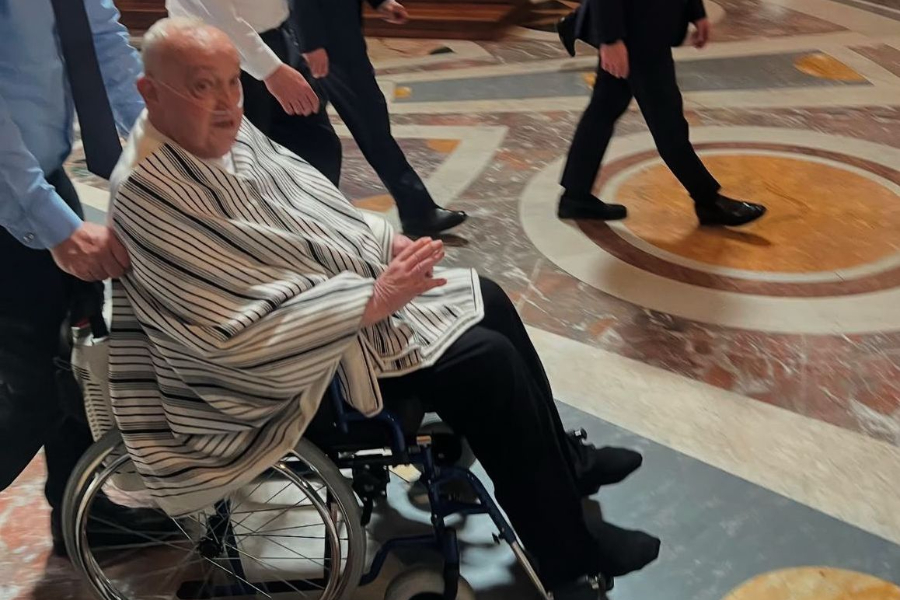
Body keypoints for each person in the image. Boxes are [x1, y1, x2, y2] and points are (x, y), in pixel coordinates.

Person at [109, 19, 658, 600]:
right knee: (486, 363)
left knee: (489, 296)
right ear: (150, 92)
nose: (227, 104)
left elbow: (309, 204)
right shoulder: (149, 191)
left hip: (338, 307)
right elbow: (223, 332)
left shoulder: (221, 133)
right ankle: (568, 557)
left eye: (233, 83)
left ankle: (565, 467)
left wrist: (381, 243)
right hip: (289, 370)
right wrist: (367, 301)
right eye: (203, 86)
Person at [0, 0, 169, 556]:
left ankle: (81, 514)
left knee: (77, 352)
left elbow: (100, 40)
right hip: (10, 191)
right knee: (34, 389)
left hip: (40, 171)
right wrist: (51, 224)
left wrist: (164, 144)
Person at [557, 0, 767, 226]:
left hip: (642, 26)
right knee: (667, 120)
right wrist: (610, 39)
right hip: (636, 31)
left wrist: (696, 11)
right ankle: (708, 201)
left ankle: (576, 195)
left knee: (604, 108)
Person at [290, 0, 468, 237]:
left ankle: (318, 216)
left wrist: (381, 2)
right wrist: (311, 42)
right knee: (367, 128)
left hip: (340, 37)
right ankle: (418, 212)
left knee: (324, 132)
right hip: (327, 44)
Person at [166, 0, 343, 186]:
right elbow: (216, 16)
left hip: (276, 38)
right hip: (214, 50)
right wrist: (271, 70)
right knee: (237, 165)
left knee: (318, 150)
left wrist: (308, 36)